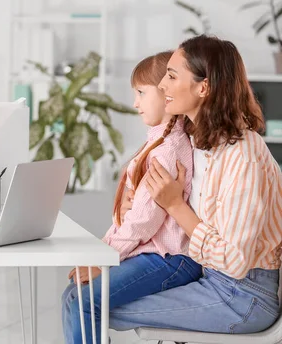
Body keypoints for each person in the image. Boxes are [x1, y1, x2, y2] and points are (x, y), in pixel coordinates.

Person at [109, 35, 282, 335]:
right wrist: (139, 199)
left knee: (98, 307)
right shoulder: (197, 143)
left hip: (243, 296)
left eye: (172, 76)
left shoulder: (244, 156)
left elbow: (234, 261)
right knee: (93, 302)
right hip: (209, 277)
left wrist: (174, 205)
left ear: (203, 88)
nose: (162, 85)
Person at [62, 51, 203, 343]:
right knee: (73, 297)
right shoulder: (156, 142)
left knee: (82, 301)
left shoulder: (166, 151)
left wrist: (101, 257)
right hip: (155, 255)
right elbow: (134, 213)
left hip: (170, 259)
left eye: (141, 92)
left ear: (166, 93)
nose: (135, 103)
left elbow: (142, 222)